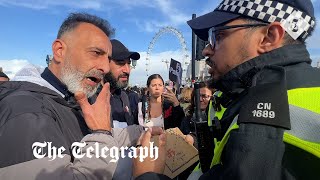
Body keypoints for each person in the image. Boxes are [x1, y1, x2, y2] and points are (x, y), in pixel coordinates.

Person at [134, 0, 320, 179]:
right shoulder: (242, 95)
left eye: (217, 36)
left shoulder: (264, 118)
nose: (206, 50)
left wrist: (146, 174)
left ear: (268, 38)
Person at [0, 13, 147, 180]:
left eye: (107, 58)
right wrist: (101, 134)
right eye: (96, 53)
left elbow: (89, 136)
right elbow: (99, 136)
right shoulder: (26, 112)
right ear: (59, 51)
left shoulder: (70, 98)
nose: (105, 67)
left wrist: (143, 131)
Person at [96, 39, 140, 128]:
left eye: (128, 63)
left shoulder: (124, 96)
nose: (127, 70)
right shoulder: (90, 98)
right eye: (121, 63)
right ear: (104, 64)